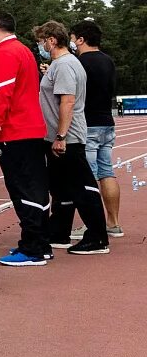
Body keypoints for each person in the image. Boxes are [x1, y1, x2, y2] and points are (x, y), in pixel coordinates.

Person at [0, 10, 53, 266]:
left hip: (14, 131)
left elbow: (1, 92)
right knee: (35, 187)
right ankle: (40, 243)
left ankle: (33, 248)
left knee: (22, 189)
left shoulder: (4, 53)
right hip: (29, 130)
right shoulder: (22, 50)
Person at [34, 22, 109, 254]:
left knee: (81, 186)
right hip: (58, 136)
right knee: (60, 188)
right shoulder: (61, 64)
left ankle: (97, 237)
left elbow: (67, 101)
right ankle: (59, 231)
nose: (40, 46)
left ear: (52, 40)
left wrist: (61, 136)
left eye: (41, 41)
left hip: (68, 137)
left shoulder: (65, 65)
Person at [70, 20, 122, 238]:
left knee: (87, 178)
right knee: (106, 172)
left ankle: (93, 226)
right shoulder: (108, 61)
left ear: (81, 39)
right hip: (106, 123)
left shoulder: (79, 63)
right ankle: (113, 222)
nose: (71, 42)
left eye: (73, 38)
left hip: (87, 125)